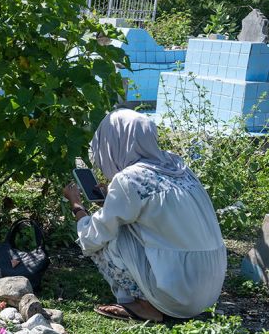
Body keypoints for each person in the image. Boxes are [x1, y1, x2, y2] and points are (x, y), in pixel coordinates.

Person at [63, 109, 226, 322]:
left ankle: (145, 305)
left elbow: (94, 234)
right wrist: (109, 200)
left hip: (177, 295)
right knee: (120, 224)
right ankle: (157, 300)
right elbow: (160, 216)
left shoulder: (130, 179)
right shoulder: (177, 167)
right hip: (208, 290)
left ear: (115, 140)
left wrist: (77, 206)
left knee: (111, 235)